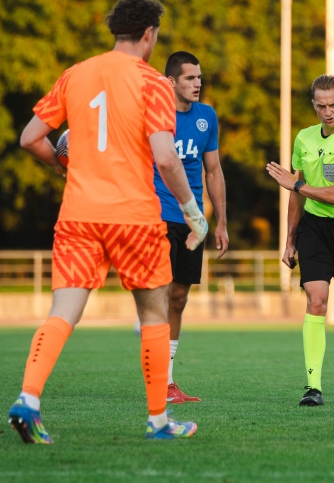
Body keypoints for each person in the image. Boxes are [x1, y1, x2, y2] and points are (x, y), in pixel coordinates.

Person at [9, 0, 208, 443]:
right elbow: (166, 158)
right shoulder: (152, 82)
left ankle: (29, 399)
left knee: (63, 310)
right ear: (148, 34)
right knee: (155, 311)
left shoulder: (76, 75)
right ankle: (158, 421)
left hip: (79, 214)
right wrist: (195, 213)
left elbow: (31, 138)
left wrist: (65, 168)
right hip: (135, 217)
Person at [266, 75, 334, 407]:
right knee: (315, 300)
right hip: (314, 229)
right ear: (314, 105)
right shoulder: (304, 138)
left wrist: (295, 185)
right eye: (321, 106)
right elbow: (297, 197)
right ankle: (312, 387)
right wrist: (289, 239)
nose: (328, 112)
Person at [153, 51, 229, 404]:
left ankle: (168, 382)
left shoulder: (207, 117)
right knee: (159, 294)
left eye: (199, 77)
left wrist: (221, 222)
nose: (197, 83)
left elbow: (213, 171)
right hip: (156, 214)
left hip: (193, 221)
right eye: (189, 78)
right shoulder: (153, 116)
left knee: (179, 297)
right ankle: (157, 379)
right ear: (170, 81)